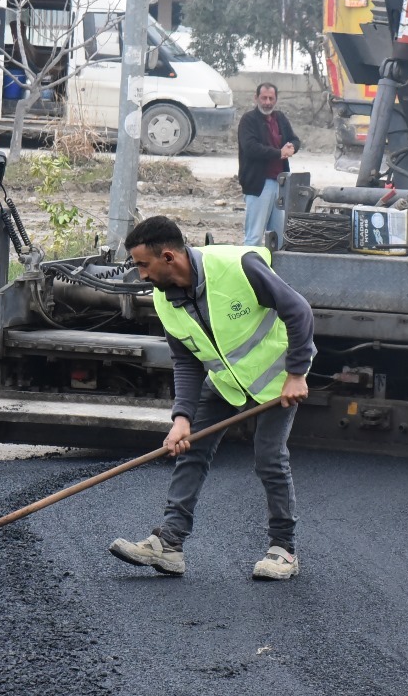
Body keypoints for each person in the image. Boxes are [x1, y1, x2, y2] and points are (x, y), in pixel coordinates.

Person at [108, 216, 315, 581]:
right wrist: (182, 418)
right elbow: (186, 360)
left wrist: (296, 373)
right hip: (225, 384)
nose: (140, 275)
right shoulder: (164, 299)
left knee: (269, 459)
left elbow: (298, 311)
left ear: (168, 257)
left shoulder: (239, 267)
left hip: (276, 380)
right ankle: (169, 545)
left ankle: (283, 550)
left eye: (143, 264)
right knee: (191, 450)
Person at [237, 83, 300, 246]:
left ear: (276, 99)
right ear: (256, 98)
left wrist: (292, 147)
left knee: (279, 238)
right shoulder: (248, 120)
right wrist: (279, 153)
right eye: (264, 98)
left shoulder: (280, 118)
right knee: (254, 237)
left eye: (271, 98)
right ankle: (249, 270)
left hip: (280, 184)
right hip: (259, 184)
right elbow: (251, 148)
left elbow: (294, 139)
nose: (267, 102)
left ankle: (274, 270)